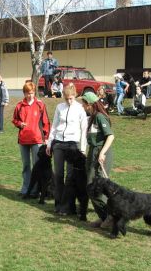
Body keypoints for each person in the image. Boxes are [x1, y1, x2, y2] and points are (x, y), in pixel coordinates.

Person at [46, 83, 87, 215]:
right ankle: (58, 204)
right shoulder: (59, 107)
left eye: (71, 98)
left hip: (73, 144)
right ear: (64, 96)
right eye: (67, 98)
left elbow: (83, 128)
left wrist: (82, 148)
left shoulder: (80, 108)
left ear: (75, 96)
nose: (69, 100)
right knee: (58, 175)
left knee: (70, 177)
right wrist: (49, 143)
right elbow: (54, 125)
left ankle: (68, 206)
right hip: (58, 143)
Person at [81, 92, 115, 228]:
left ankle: (110, 217)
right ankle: (104, 216)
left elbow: (111, 136)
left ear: (89, 104)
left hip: (101, 153)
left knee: (98, 188)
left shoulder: (100, 117)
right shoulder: (92, 118)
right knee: (90, 186)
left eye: (83, 103)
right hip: (92, 152)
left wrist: (102, 153)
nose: (82, 106)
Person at [12, 81, 51, 197]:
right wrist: (19, 124)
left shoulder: (40, 105)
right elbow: (14, 119)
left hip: (37, 140)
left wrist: (47, 137)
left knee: (36, 166)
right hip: (23, 139)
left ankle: (35, 190)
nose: (30, 95)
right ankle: (25, 189)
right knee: (25, 166)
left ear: (35, 93)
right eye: (27, 93)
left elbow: (46, 122)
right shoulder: (19, 105)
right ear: (24, 93)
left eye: (32, 93)